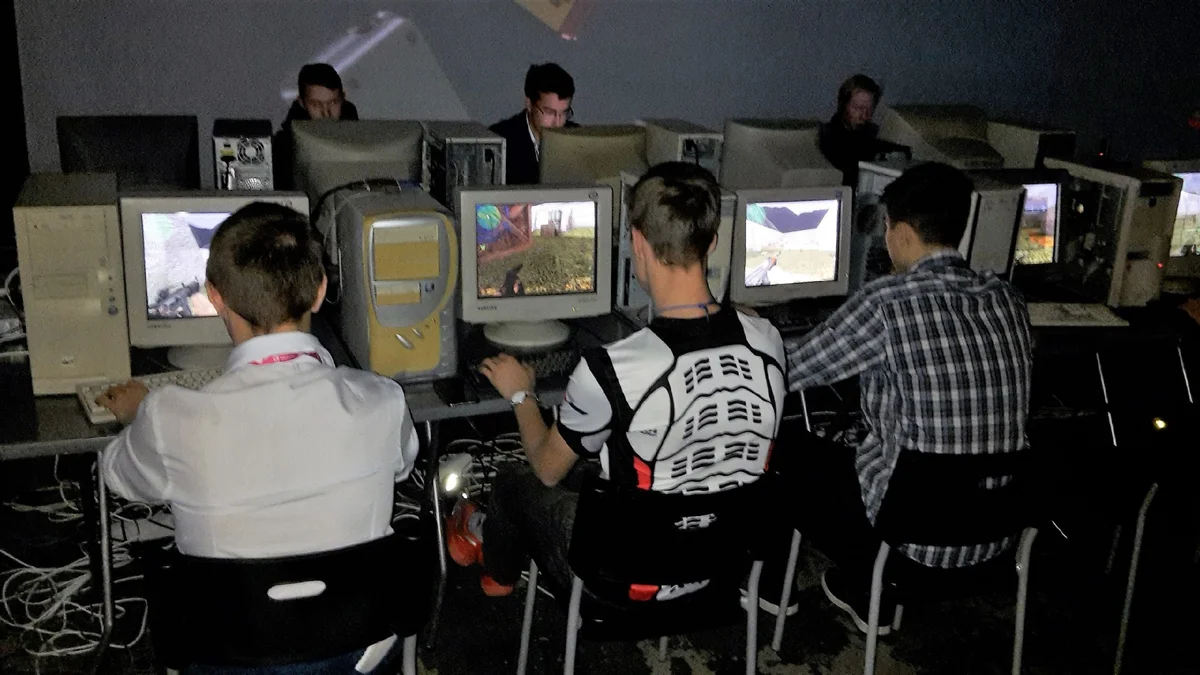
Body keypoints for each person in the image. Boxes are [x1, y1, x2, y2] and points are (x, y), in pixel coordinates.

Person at [97, 203, 420, 674]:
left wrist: (137, 415)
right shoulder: (382, 400)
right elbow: (404, 464)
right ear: (320, 291)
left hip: (225, 655)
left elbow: (118, 477)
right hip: (357, 650)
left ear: (214, 296)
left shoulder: (170, 416)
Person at [446, 162, 788, 597]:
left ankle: (497, 576)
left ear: (637, 243)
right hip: (722, 567)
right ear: (713, 241)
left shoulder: (609, 368)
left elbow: (548, 469)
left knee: (515, 479)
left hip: (629, 580)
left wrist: (521, 395)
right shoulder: (767, 341)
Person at [780, 162, 1033, 634]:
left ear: (900, 231)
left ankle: (785, 590)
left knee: (791, 449)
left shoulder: (886, 301)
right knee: (877, 444)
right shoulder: (1008, 300)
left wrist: (752, 332)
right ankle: (865, 588)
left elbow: (786, 372)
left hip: (908, 546)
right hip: (996, 538)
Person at [489, 63, 579, 185]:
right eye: (549, 112)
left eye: (564, 113)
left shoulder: (577, 137)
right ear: (529, 104)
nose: (557, 123)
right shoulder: (500, 142)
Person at [274, 63, 360, 189]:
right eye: (316, 104)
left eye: (333, 102)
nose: (326, 113)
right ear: (301, 103)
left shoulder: (360, 138)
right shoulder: (284, 145)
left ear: (343, 99)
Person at [819, 74, 887, 186]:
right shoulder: (829, 136)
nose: (864, 115)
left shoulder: (874, 134)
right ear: (844, 106)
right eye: (858, 108)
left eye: (869, 109)